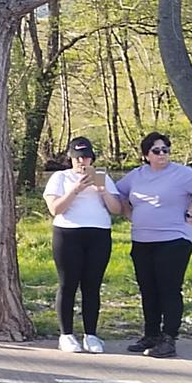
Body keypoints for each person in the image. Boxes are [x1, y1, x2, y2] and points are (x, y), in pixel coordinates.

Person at [115, 132, 192, 359]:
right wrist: (128, 212)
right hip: (142, 240)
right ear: (146, 155)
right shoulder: (136, 176)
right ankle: (151, 335)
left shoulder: (181, 174)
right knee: (148, 289)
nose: (162, 154)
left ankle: (168, 339)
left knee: (168, 289)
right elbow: (117, 192)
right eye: (156, 151)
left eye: (166, 150)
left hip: (174, 239)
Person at [43, 136, 123, 354]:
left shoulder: (102, 178)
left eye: (86, 157)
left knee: (92, 286)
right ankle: (66, 334)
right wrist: (75, 190)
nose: (82, 162)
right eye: (77, 158)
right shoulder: (60, 178)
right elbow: (55, 209)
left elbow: (116, 209)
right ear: (70, 158)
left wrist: (103, 191)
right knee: (68, 284)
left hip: (98, 234)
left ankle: (91, 334)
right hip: (68, 234)